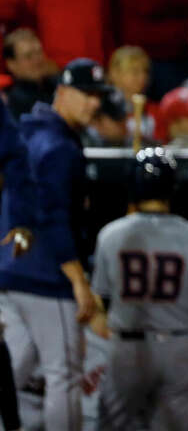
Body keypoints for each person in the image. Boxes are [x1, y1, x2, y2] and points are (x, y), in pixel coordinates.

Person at [91, 147, 188, 430]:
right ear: (173, 187)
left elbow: (102, 299)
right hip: (178, 347)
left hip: (127, 348)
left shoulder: (111, 234)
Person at [0, 59, 106, 431]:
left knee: (13, 367)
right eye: (85, 95)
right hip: (46, 273)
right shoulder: (57, 145)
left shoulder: (30, 130)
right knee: (64, 373)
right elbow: (53, 216)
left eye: (97, 96)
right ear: (61, 92)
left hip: (12, 270)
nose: (93, 103)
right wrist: (77, 279)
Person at [2, 29, 56, 118]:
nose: (37, 60)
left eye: (39, 52)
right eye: (28, 56)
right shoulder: (13, 102)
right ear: (12, 64)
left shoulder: (59, 86)